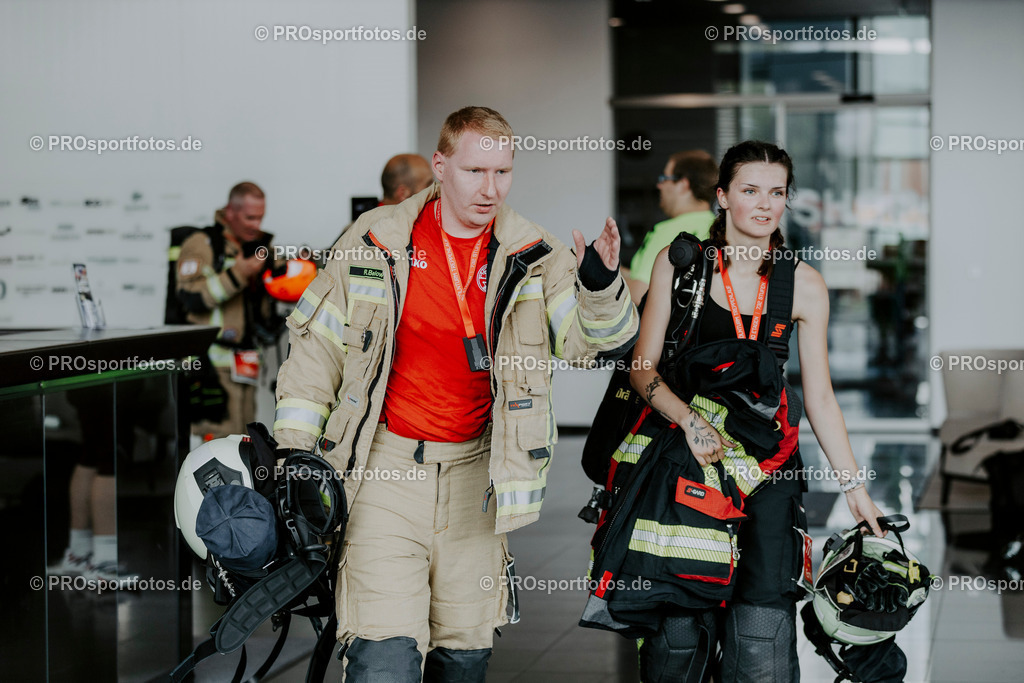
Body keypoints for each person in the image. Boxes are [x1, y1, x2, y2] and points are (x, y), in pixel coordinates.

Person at [272, 105, 639, 681]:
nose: (490, 189)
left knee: (462, 658)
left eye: (502, 172)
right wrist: (295, 453)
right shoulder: (374, 238)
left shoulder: (535, 252)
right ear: (440, 167)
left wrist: (600, 285)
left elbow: (590, 347)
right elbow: (317, 349)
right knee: (382, 656)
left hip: (478, 477)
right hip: (385, 471)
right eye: (475, 172)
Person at [628, 140, 886, 682]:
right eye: (750, 190)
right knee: (678, 639)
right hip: (686, 468)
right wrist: (690, 421)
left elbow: (820, 397)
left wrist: (854, 488)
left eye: (776, 192)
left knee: (762, 639)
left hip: (769, 473)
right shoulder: (681, 266)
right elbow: (642, 368)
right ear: (723, 196)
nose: (765, 204)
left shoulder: (804, 285)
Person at [176, 182, 275, 439]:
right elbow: (190, 298)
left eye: (260, 217)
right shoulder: (202, 244)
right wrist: (238, 274)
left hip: (246, 363)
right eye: (250, 217)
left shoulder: (257, 247)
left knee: (247, 444)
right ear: (230, 212)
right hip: (213, 368)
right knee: (219, 447)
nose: (256, 224)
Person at [625, 150, 718, 304]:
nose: (659, 185)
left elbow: (641, 293)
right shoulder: (718, 228)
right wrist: (611, 269)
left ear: (683, 184)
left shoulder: (668, 231)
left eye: (664, 178)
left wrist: (600, 277)